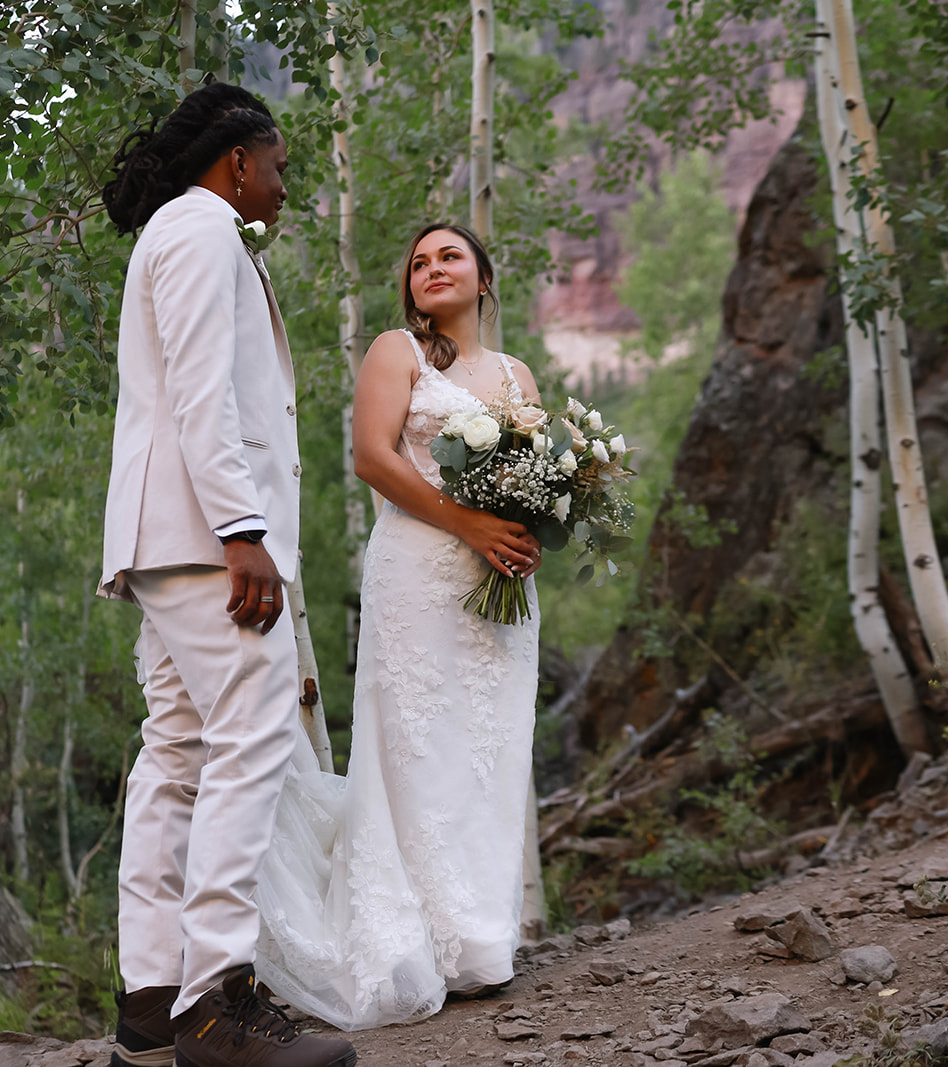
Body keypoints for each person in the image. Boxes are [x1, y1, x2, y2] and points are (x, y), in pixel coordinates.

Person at [97, 83, 357, 1067]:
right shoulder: (203, 231)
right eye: (280, 167)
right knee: (249, 737)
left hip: (163, 535)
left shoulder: (176, 230)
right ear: (237, 160)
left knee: (178, 753)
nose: (285, 187)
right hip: (206, 536)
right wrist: (242, 531)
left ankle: (151, 999)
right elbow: (203, 396)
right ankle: (217, 1002)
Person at [254, 223, 544, 1030]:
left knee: (487, 746)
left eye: (449, 256)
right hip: (418, 568)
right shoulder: (398, 354)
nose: (432, 269)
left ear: (485, 279)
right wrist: (471, 525)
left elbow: (539, 479)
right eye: (418, 262)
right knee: (417, 745)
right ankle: (404, 939)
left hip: (497, 583)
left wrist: (528, 534)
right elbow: (374, 458)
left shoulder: (517, 373)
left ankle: (477, 940)